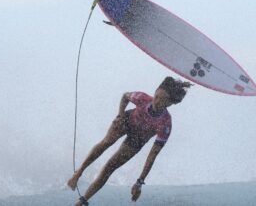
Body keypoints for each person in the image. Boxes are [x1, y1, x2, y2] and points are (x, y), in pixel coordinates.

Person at [68, 76, 192, 206]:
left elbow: (152, 155)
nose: (157, 101)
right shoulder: (142, 98)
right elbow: (125, 96)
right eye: (157, 96)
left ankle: (82, 201)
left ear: (170, 104)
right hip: (127, 121)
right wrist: (120, 116)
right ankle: (78, 173)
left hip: (137, 140)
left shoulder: (165, 124)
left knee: (110, 167)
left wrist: (139, 182)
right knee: (106, 143)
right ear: (155, 92)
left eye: (162, 100)